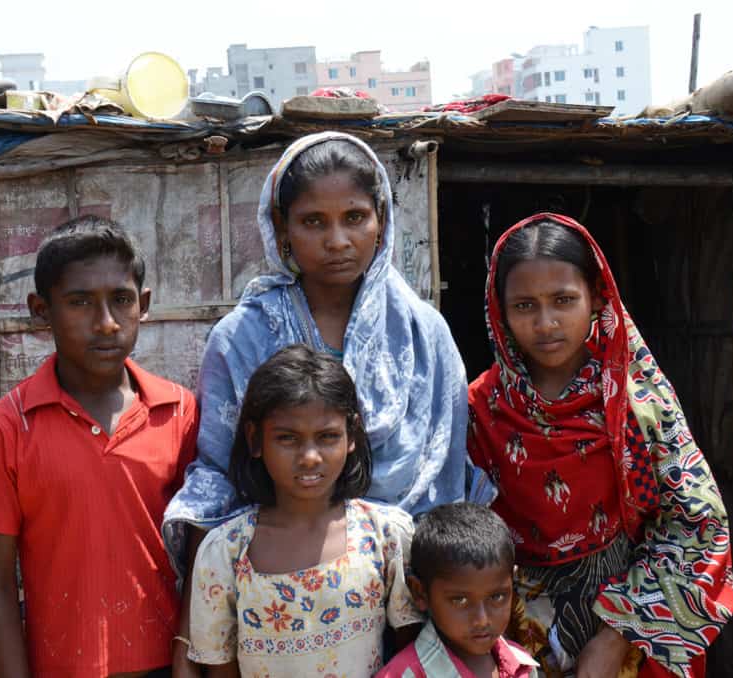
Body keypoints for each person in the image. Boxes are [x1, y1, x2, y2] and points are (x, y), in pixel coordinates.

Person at [165, 132, 491, 669]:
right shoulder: (242, 337)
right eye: (313, 221)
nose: (337, 239)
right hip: (272, 598)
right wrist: (190, 640)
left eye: (355, 217)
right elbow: (218, 481)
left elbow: (445, 478)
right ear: (283, 231)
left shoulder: (422, 333)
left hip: (416, 589)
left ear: (381, 222)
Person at [467, 213, 733, 678]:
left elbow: (697, 522)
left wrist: (617, 636)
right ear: (500, 311)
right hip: (509, 636)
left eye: (563, 300)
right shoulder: (481, 407)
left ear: (595, 297)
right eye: (525, 306)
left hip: (630, 628)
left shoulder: (638, 399)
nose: (546, 322)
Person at [0, 216, 198, 678]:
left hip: (168, 665)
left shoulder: (179, 413)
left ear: (143, 306)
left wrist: (187, 655)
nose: (105, 323)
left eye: (120, 301)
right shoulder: (5, 428)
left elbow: (205, 558)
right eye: (80, 302)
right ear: (42, 310)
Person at [184, 344, 423, 676]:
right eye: (288, 438)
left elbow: (412, 656)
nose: (310, 456)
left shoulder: (385, 536)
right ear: (255, 439)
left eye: (327, 436)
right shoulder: (226, 551)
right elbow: (220, 668)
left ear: (351, 435)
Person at [377, 502, 539, 678]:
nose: (482, 620)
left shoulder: (522, 665)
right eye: (460, 600)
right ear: (420, 593)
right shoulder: (403, 675)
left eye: (497, 597)